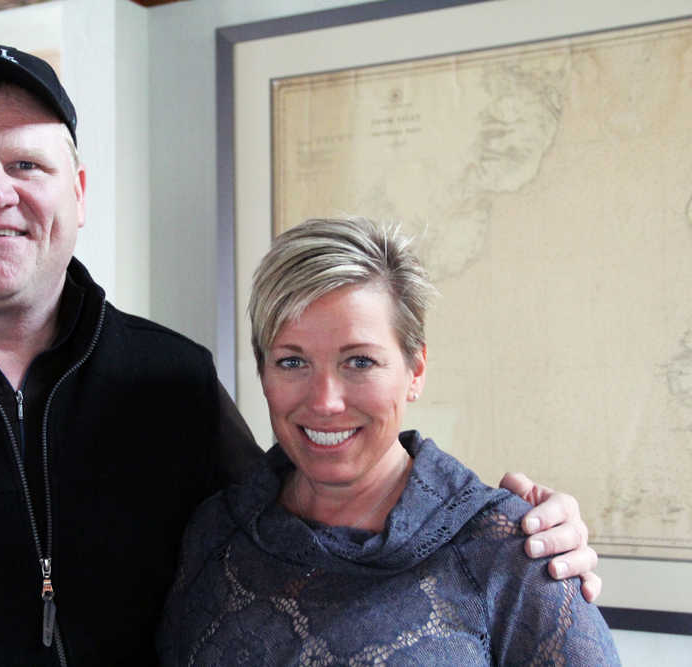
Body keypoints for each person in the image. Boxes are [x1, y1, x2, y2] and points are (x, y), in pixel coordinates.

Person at [0, 46, 596, 666]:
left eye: (27, 165)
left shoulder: (167, 378)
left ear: (77, 192)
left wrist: (522, 541)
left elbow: (297, 537)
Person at [157, 218, 619, 665]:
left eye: (359, 362)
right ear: (263, 373)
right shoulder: (216, 532)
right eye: (292, 363)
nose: (325, 401)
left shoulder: (511, 553)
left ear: (415, 371)